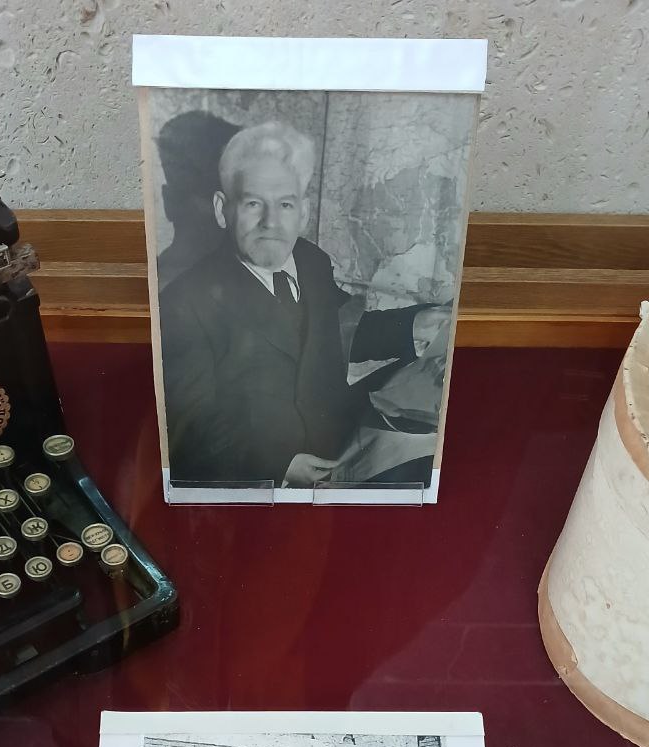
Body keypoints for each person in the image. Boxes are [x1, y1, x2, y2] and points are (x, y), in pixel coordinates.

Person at [159, 119, 448, 487]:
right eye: (253, 203)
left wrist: (414, 325)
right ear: (222, 209)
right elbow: (191, 424)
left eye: (285, 204)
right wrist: (279, 464)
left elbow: (340, 330)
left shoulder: (311, 261)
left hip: (340, 454)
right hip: (259, 481)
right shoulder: (183, 304)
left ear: (304, 212)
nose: (271, 222)